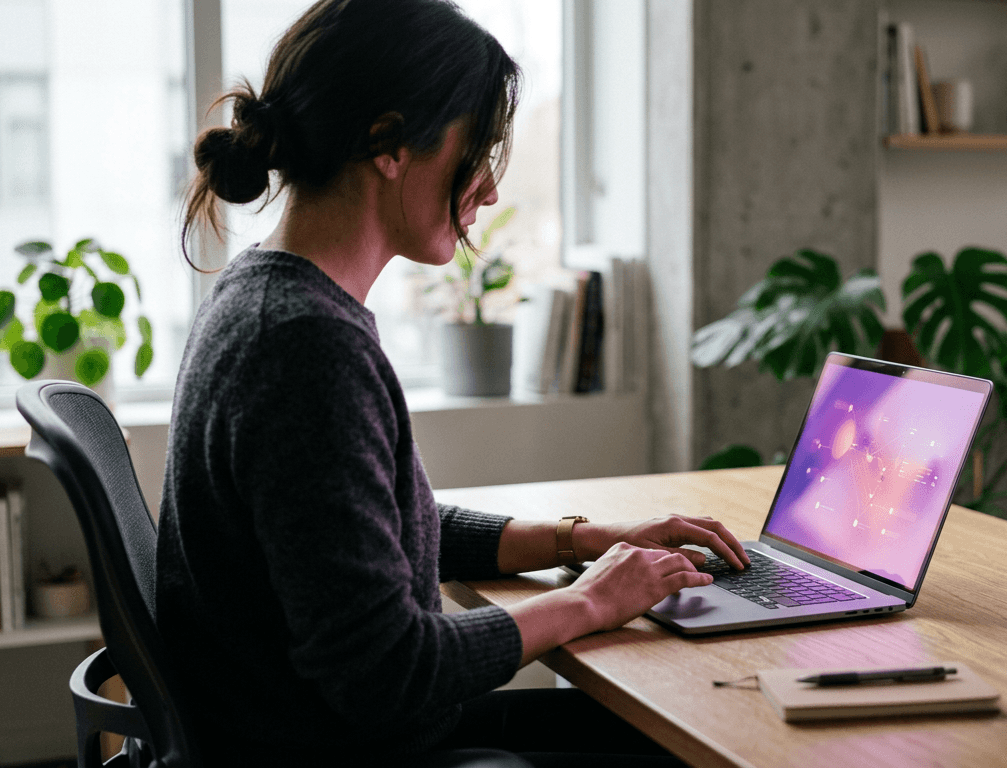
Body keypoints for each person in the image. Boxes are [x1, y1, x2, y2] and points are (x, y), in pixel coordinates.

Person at [158, 1, 748, 766]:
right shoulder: (304, 345)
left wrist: (581, 541)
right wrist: (591, 599)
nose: (491, 190)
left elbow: (372, 526)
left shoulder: (266, 298)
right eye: (478, 148)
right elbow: (387, 672)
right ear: (388, 144)